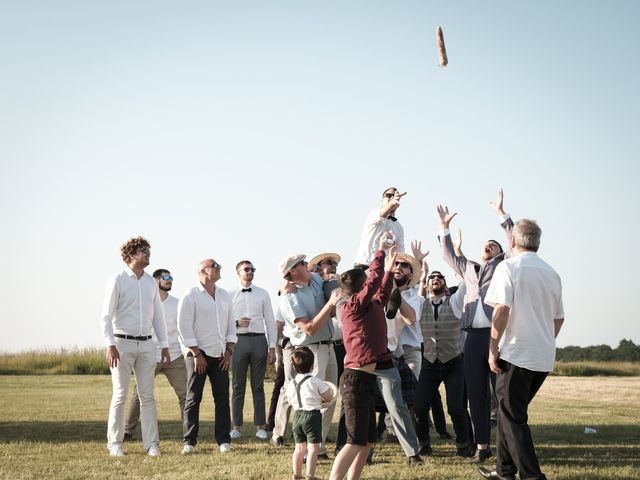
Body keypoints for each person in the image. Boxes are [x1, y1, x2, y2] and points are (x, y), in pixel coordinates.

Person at [478, 219, 564, 480]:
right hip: (543, 356)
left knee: (513, 418)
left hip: (516, 354)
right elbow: (559, 318)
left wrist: (493, 348)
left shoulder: (509, 267)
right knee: (509, 414)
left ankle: (532, 475)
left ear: (512, 241)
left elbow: (501, 310)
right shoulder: (552, 273)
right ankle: (504, 471)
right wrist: (544, 339)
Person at [437, 189, 513, 463]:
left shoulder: (504, 265)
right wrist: (444, 227)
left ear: (501, 251)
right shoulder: (469, 268)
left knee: (502, 395)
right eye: (486, 244)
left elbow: (514, 240)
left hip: (497, 337)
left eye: (494, 244)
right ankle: (483, 445)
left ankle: (509, 446)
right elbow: (447, 256)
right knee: (477, 396)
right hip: (472, 340)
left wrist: (502, 215)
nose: (489, 246)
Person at [328, 234, 396, 480]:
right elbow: (374, 284)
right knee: (354, 441)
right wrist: (380, 252)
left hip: (366, 380)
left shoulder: (368, 306)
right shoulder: (351, 306)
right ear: (360, 287)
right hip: (355, 380)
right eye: (367, 282)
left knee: (367, 442)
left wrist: (388, 272)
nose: (372, 284)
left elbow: (382, 293)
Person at [101, 236, 169, 457]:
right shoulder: (117, 280)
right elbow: (105, 317)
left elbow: (158, 316)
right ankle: (115, 444)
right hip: (121, 344)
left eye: (148, 249)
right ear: (131, 255)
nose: (148, 253)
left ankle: (152, 445)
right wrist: (110, 345)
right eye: (143, 250)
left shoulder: (151, 282)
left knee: (147, 395)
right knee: (120, 394)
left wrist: (164, 346)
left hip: (147, 344)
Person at [271, 253, 341, 460]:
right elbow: (309, 328)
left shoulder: (316, 280)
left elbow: (333, 281)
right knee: (310, 401)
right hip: (310, 350)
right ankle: (302, 445)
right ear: (293, 271)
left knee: (330, 397)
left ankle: (317, 447)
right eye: (302, 264)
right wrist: (330, 305)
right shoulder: (289, 297)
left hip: (328, 347)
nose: (307, 265)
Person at [178, 259, 237, 454]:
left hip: (221, 354)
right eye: (215, 266)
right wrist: (196, 353)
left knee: (222, 398)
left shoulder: (224, 295)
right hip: (197, 354)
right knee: (194, 398)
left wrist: (229, 351)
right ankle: (189, 441)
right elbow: (183, 327)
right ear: (203, 271)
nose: (220, 268)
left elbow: (230, 325)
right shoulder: (191, 294)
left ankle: (223, 440)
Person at [414, 268, 474, 458]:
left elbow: (466, 280)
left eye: (440, 277)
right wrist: (422, 277)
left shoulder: (455, 303)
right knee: (420, 407)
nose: (436, 279)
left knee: (456, 407)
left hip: (453, 363)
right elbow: (415, 293)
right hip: (429, 363)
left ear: (445, 285)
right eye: (433, 277)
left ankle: (463, 444)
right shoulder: (420, 304)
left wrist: (456, 255)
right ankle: (423, 443)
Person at [124, 268, 187, 441]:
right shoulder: (146, 303)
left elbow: (184, 329)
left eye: (171, 277)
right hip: (150, 355)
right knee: (140, 393)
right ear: (156, 280)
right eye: (166, 277)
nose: (170, 280)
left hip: (174, 355)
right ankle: (127, 431)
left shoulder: (178, 303)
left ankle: (188, 432)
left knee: (186, 395)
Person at [228, 260, 277, 441]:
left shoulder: (263, 293)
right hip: (238, 341)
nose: (250, 272)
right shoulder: (228, 294)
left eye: (252, 269)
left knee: (258, 386)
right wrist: (235, 323)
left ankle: (260, 427)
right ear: (238, 272)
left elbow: (270, 321)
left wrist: (272, 347)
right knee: (237, 386)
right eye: (246, 269)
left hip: (259, 340)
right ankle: (236, 427)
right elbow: (222, 320)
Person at [287, 346, 335, 480]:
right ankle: (310, 475)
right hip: (312, 416)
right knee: (313, 449)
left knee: (299, 448)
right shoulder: (315, 381)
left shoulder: (292, 383)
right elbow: (329, 397)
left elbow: (290, 400)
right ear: (312, 365)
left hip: (297, 416)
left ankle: (296, 474)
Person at [354, 187, 406, 269]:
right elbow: (382, 214)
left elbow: (400, 253)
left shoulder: (398, 227)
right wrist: (391, 203)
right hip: (364, 265)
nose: (392, 198)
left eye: (395, 196)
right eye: (388, 195)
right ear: (382, 200)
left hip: (383, 269)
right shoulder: (374, 213)